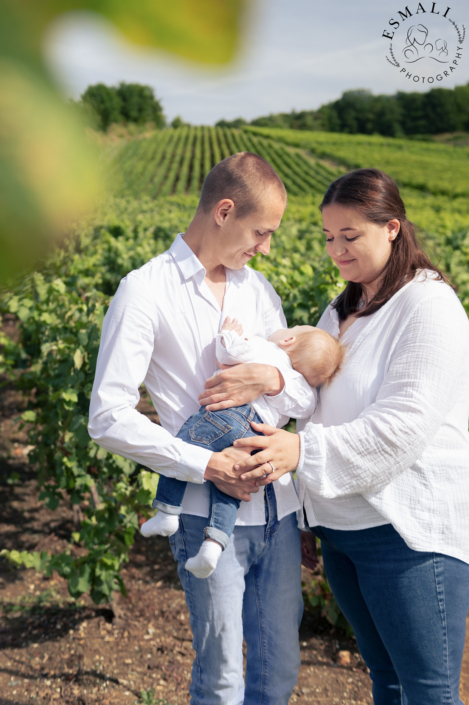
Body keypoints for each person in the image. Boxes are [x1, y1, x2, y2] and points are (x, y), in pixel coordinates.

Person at [231, 168, 469, 705]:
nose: (337, 251)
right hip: (344, 531)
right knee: (384, 680)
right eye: (328, 238)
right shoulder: (343, 310)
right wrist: (309, 511)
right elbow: (314, 407)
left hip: (405, 535)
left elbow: (403, 426)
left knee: (429, 692)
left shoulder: (429, 307)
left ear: (391, 228)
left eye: (350, 236)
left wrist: (299, 453)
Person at [88, 152, 317, 705]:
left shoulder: (258, 291)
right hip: (201, 513)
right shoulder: (145, 291)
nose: (266, 247)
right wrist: (209, 463)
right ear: (224, 210)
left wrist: (266, 376)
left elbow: (303, 396)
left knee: (279, 672)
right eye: (261, 232)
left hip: (278, 514)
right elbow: (108, 416)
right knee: (221, 680)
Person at [141, 315, 344, 579]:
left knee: (185, 446)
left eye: (292, 327)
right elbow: (306, 406)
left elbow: (228, 355)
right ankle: (213, 546)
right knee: (231, 488)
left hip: (229, 415)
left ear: (289, 339)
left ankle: (167, 510)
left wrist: (228, 334)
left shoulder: (265, 349)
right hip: (256, 435)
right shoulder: (300, 385)